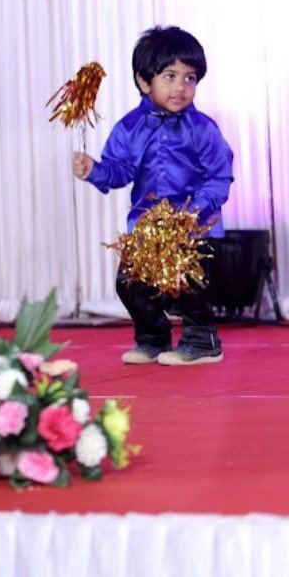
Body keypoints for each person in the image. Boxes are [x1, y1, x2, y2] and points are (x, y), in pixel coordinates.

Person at [74, 26, 234, 366]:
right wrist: (93, 170)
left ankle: (202, 341)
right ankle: (152, 338)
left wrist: (191, 213)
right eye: (170, 76)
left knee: (189, 286)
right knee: (129, 284)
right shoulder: (129, 127)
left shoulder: (203, 129)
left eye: (190, 78)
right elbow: (118, 171)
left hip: (192, 228)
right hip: (146, 227)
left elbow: (219, 178)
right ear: (145, 81)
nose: (181, 87)